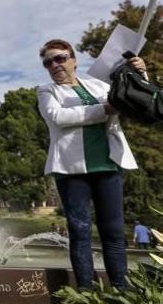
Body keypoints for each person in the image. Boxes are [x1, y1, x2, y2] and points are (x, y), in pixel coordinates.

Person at [36, 39, 142, 290]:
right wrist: (104, 108)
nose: (55, 65)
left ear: (74, 60)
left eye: (60, 58)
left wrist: (139, 71)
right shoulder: (46, 91)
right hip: (70, 169)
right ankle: (86, 289)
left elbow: (130, 97)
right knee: (80, 231)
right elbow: (58, 116)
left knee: (114, 232)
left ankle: (121, 288)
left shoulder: (98, 84)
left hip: (107, 164)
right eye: (48, 62)